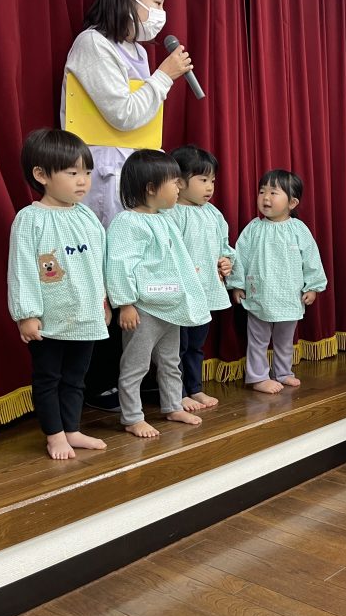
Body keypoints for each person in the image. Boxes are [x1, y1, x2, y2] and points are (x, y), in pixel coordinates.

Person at [63, 0, 194, 411]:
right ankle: (100, 382)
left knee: (137, 264)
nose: (160, 14)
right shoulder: (92, 44)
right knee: (107, 268)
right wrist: (164, 76)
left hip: (135, 172)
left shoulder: (137, 51)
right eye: (155, 2)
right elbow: (123, 114)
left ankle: (136, 377)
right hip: (103, 174)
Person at [7, 129, 110, 460]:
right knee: (49, 378)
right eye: (72, 172)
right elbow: (22, 269)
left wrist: (104, 301)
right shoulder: (30, 219)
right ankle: (54, 435)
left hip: (87, 315)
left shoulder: (86, 216)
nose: (83, 181)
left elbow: (100, 262)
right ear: (41, 175)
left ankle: (72, 428)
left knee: (76, 378)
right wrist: (27, 314)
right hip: (50, 319)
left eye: (87, 172)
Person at [106, 151, 210, 437]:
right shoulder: (127, 223)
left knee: (170, 361)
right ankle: (132, 417)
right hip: (145, 309)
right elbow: (119, 264)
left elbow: (174, 258)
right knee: (135, 365)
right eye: (174, 182)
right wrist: (126, 304)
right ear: (151, 188)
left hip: (171, 306)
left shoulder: (165, 219)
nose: (179, 187)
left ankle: (173, 405)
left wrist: (188, 277)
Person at [227, 170, 327, 394]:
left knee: (284, 339)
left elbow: (311, 259)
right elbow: (239, 257)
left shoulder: (299, 229)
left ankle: (283, 372)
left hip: (289, 296)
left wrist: (313, 287)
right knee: (258, 339)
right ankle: (258, 377)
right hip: (259, 295)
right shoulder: (253, 228)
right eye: (262, 191)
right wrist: (237, 284)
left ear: (292, 202)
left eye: (273, 192)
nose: (265, 197)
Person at [169, 145, 235, 410]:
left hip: (206, 291)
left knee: (196, 344)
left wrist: (227, 261)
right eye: (203, 180)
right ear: (179, 181)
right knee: (177, 346)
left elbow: (224, 245)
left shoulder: (213, 213)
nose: (210, 187)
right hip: (180, 295)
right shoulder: (170, 213)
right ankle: (178, 392)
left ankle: (195, 388)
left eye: (213, 181)